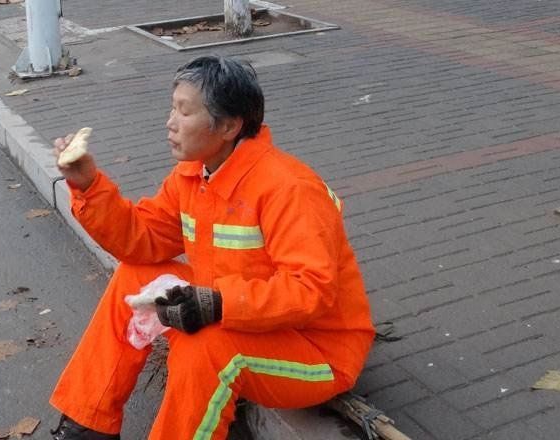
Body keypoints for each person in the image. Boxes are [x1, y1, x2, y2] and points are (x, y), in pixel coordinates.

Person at [48, 55, 374, 440]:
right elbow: (141, 238)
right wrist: (88, 186)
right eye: (172, 108)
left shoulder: (289, 188)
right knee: (135, 276)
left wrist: (217, 304)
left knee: (204, 348)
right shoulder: (193, 175)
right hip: (241, 318)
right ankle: (88, 424)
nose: (170, 123)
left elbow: (311, 290)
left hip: (317, 351)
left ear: (229, 126)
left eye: (184, 112)